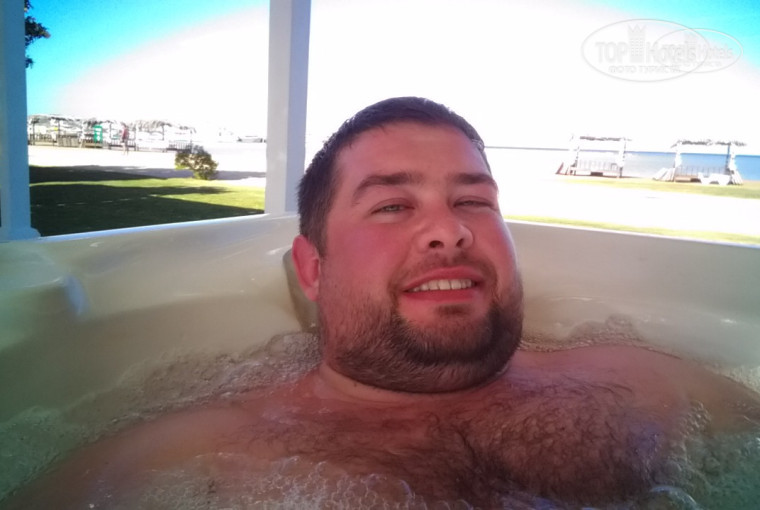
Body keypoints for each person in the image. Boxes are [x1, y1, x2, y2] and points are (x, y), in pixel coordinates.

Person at [5, 97, 760, 509]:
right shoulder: (182, 457)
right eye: (393, 206)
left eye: (474, 199)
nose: (450, 230)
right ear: (313, 269)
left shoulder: (645, 381)